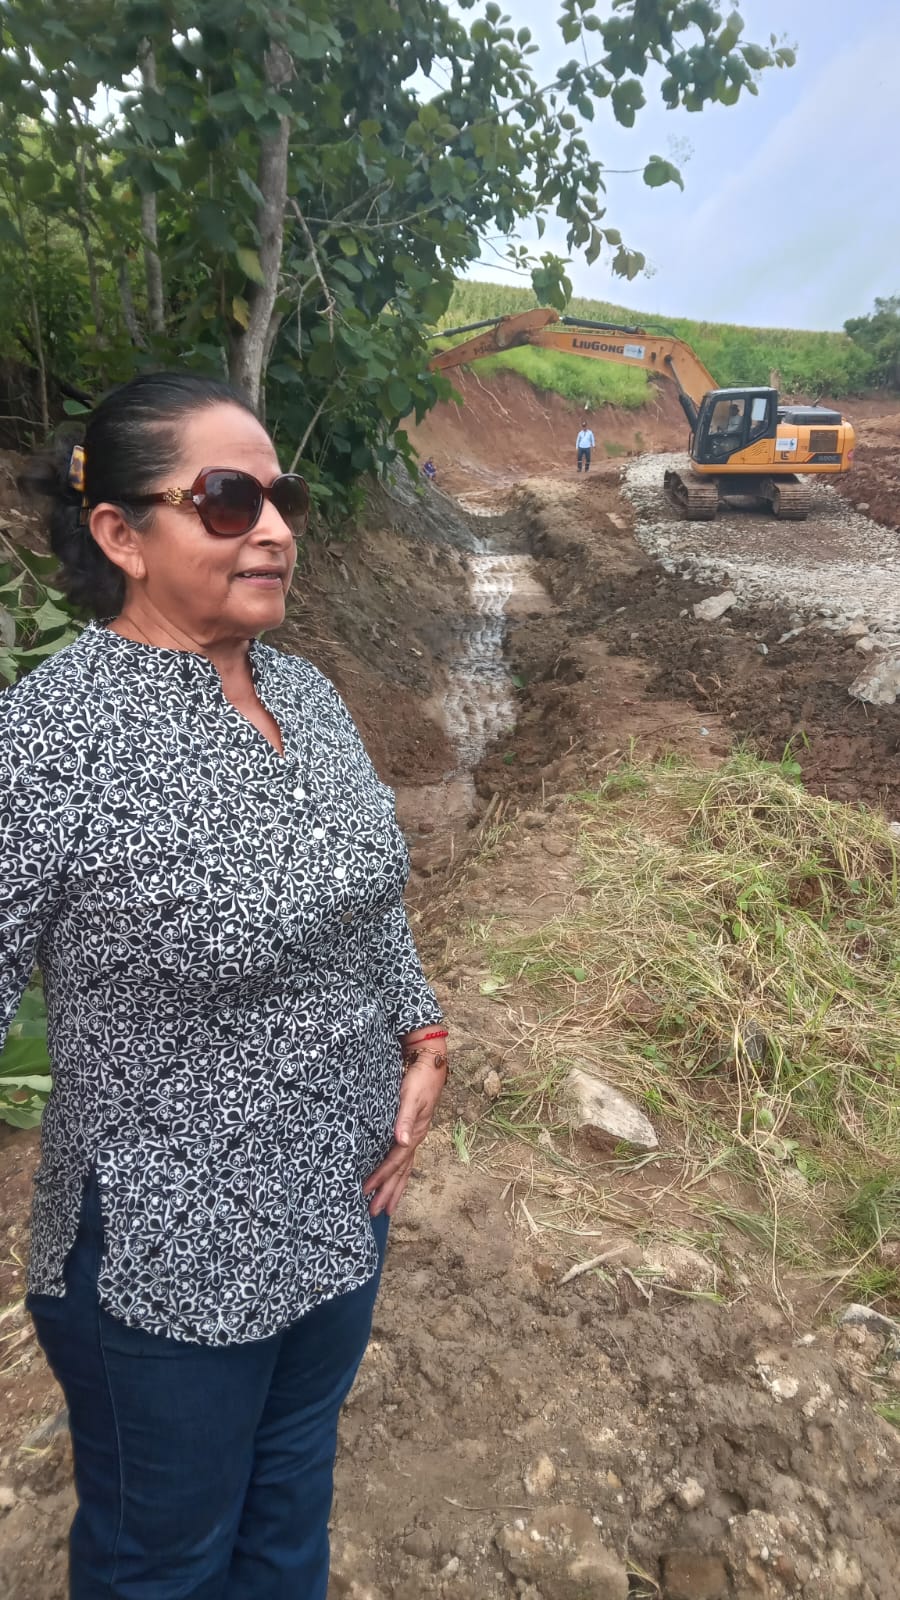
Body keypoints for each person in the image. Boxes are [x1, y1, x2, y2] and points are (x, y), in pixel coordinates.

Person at [1, 371, 448, 1599]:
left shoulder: (305, 691)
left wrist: (420, 1027)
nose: (275, 528)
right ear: (120, 533)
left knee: (289, 1512)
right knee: (168, 1557)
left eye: (281, 498)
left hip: (342, 1205)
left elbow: (368, 890)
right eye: (229, 499)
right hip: (163, 1261)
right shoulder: (50, 741)